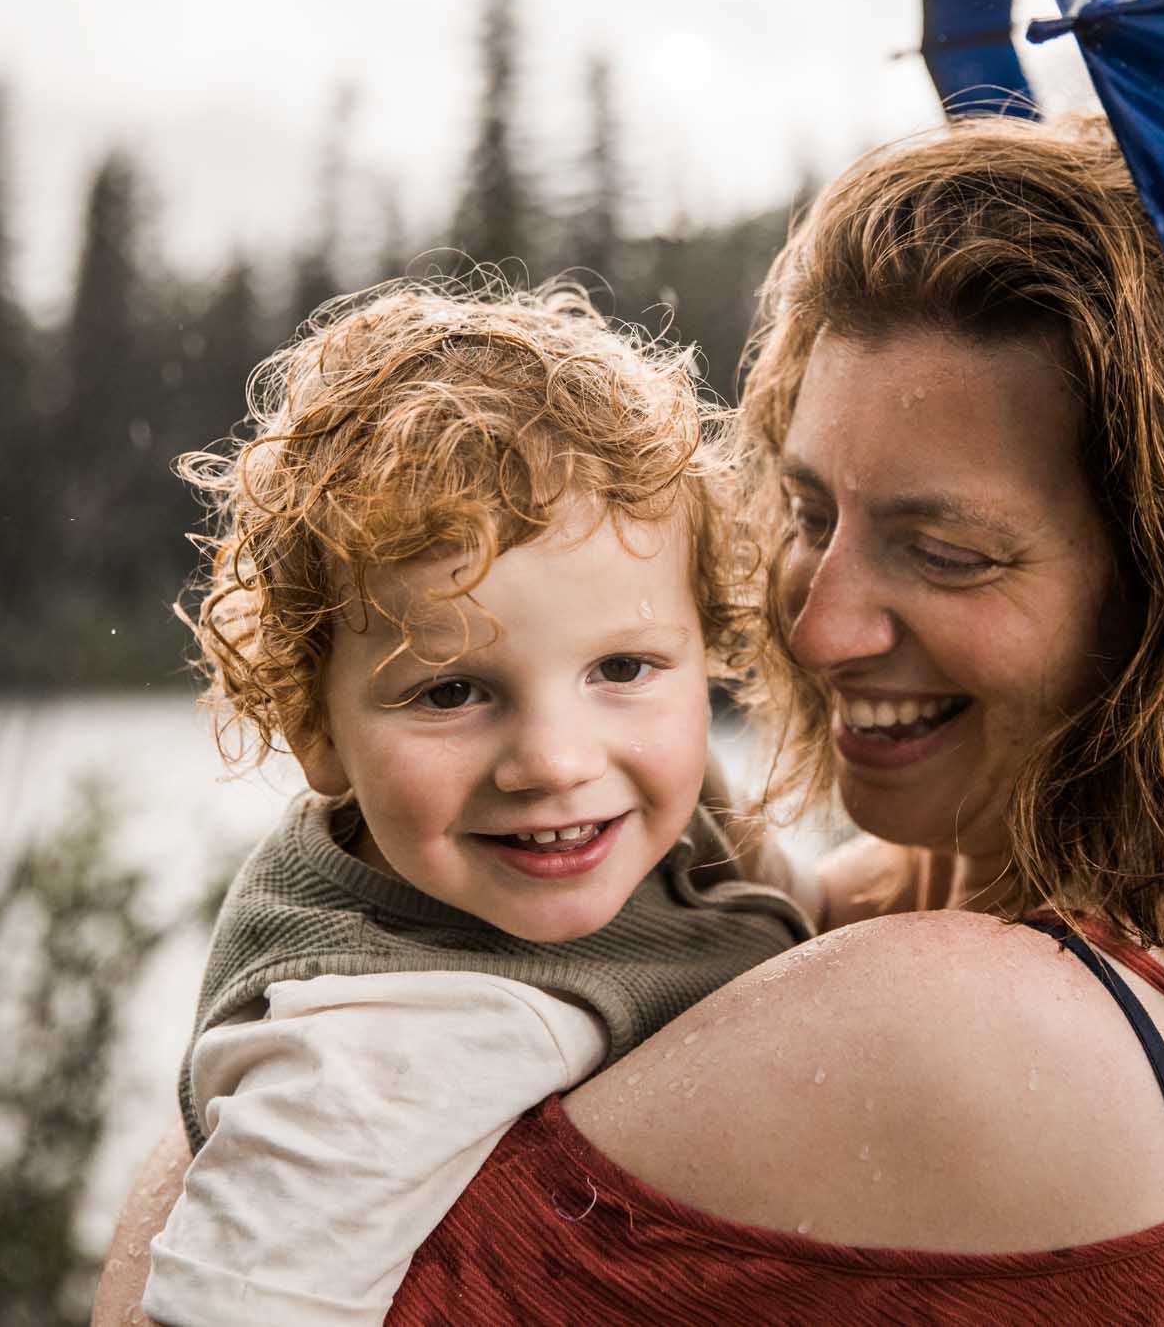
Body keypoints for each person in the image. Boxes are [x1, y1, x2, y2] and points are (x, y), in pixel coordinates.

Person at [95, 115, 1164, 1326]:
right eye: (814, 513)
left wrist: (328, 928)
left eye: (943, 550)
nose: (819, 624)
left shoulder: (963, 1021)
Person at [136, 283, 812, 1326]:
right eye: (450, 691)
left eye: (621, 667)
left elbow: (806, 906)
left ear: (703, 649)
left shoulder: (637, 816)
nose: (551, 758)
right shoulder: (372, 1047)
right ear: (314, 727)